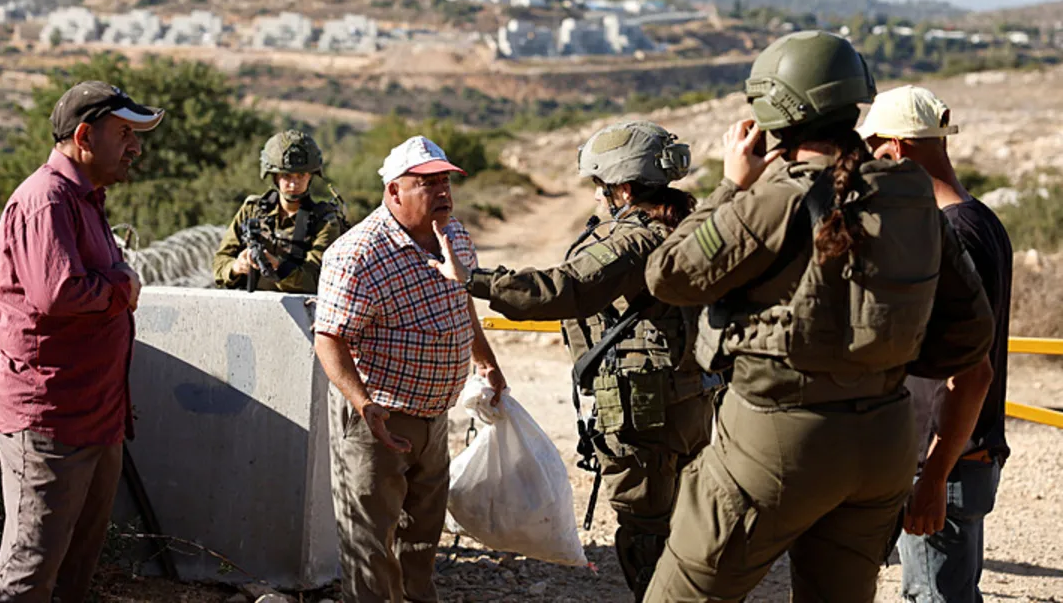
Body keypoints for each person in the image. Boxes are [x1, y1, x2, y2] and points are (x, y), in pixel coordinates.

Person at [639, 31, 996, 602]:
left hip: (780, 437)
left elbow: (669, 274)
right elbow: (971, 334)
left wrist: (732, 184)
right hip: (884, 439)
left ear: (777, 107)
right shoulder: (906, 193)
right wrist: (882, 360)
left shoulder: (776, 193)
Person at [429, 121, 717, 600]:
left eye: (600, 187)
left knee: (646, 528)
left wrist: (472, 279)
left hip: (645, 413)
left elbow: (563, 289)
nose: (597, 198)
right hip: (690, 400)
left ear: (622, 188)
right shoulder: (691, 227)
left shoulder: (633, 241)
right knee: (688, 520)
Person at [0, 81, 162, 603]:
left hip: (92, 416)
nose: (136, 147)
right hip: (50, 420)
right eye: (125, 134)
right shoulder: (47, 200)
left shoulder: (82, 198)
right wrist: (122, 288)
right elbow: (58, 293)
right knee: (30, 571)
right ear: (85, 136)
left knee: (72, 574)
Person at [313, 135, 507, 603]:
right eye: (427, 183)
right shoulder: (358, 253)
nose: (442, 192)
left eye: (445, 181)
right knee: (371, 546)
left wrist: (487, 361)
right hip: (378, 421)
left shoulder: (454, 235)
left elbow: (461, 304)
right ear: (394, 192)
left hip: (434, 416)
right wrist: (364, 405)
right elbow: (329, 339)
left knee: (421, 540)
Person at [860, 85, 1012, 603]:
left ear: (899, 148)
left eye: (876, 150)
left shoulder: (952, 233)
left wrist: (931, 475)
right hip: (963, 456)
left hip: (945, 461)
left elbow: (972, 372)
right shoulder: (981, 218)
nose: (871, 164)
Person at [213, 130, 345, 293]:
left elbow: (318, 279)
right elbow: (220, 262)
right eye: (286, 176)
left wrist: (279, 267)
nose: (293, 184)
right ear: (274, 176)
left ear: (310, 176)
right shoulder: (252, 209)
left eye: (301, 175)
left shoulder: (324, 221)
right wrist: (236, 267)